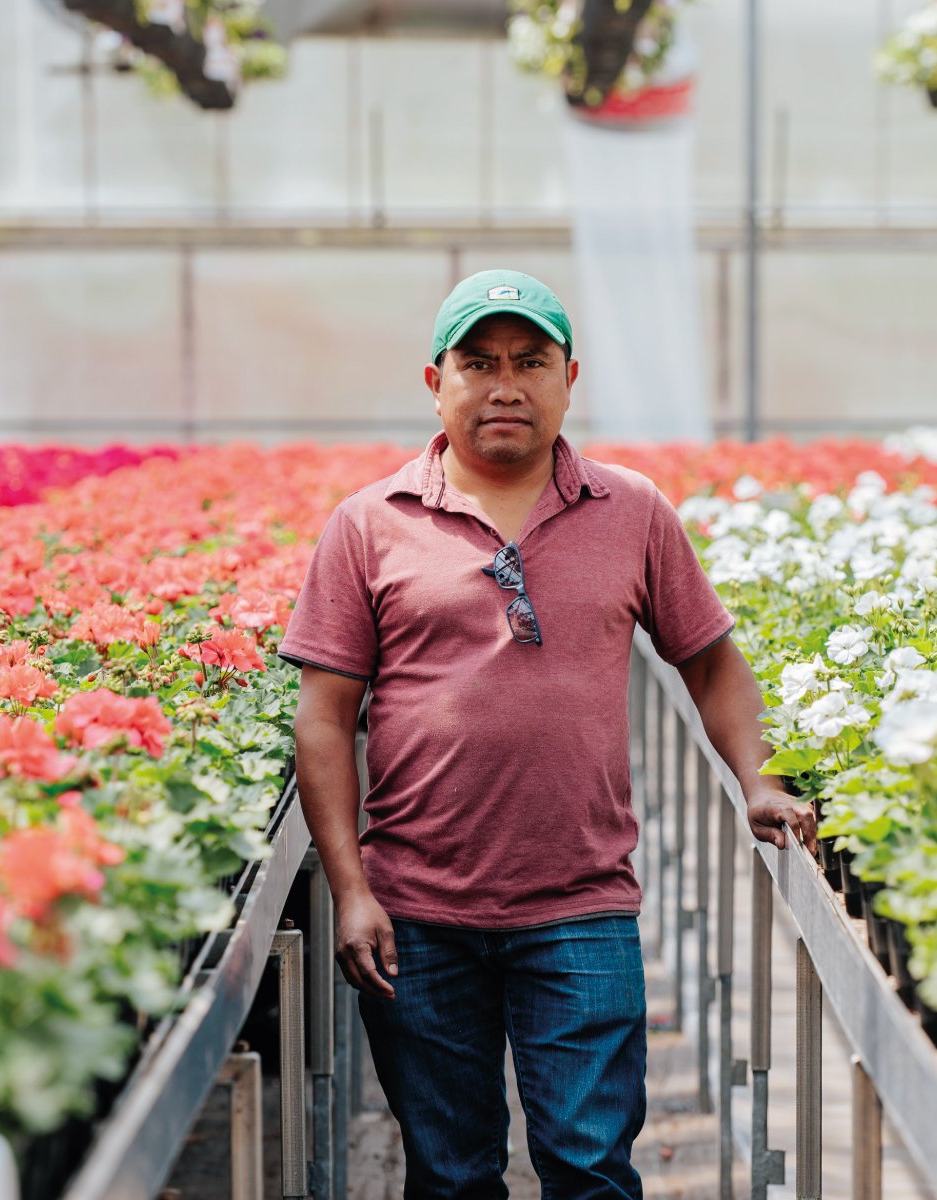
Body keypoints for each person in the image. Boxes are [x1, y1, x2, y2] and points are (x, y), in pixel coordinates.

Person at [279, 269, 816, 1200]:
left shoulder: (633, 511)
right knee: (449, 1174)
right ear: (434, 381)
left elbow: (708, 660)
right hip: (418, 912)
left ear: (571, 376)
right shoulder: (369, 525)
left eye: (531, 361)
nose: (505, 386)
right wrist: (351, 890)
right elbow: (325, 718)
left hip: (582, 905)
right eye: (478, 362)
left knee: (591, 1167)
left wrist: (757, 779)